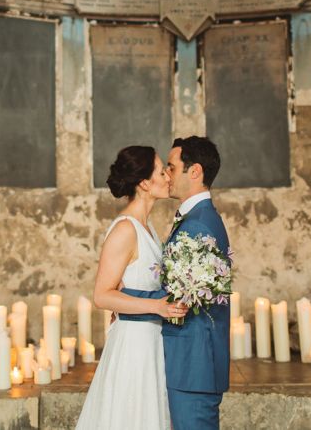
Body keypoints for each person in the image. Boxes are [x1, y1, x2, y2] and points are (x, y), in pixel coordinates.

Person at [121, 136, 231, 430]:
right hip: (190, 364)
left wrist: (122, 299)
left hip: (193, 365)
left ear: (194, 172)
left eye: (171, 167)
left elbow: (180, 299)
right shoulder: (198, 217)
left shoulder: (198, 224)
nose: (166, 174)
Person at [76, 145, 188, 430]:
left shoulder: (147, 227)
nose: (167, 176)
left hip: (151, 340)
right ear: (144, 183)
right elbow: (102, 295)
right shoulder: (125, 229)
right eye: (161, 171)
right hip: (133, 345)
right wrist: (157, 306)